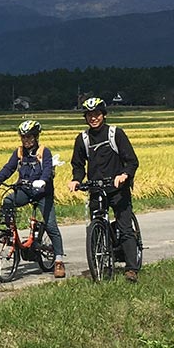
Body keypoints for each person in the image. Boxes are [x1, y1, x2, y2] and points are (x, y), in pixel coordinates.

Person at [69, 97, 142, 281]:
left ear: (104, 115)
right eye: (89, 115)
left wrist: (124, 175)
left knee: (125, 227)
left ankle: (131, 269)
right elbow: (78, 165)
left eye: (97, 114)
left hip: (117, 188)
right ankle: (101, 262)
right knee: (96, 225)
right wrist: (76, 180)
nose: (93, 118)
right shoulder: (83, 139)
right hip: (96, 189)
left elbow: (132, 161)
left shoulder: (115, 134)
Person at [0, 120, 66, 278]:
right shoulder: (19, 152)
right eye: (23, 137)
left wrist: (42, 181)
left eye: (30, 137)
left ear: (36, 137)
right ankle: (10, 233)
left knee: (51, 226)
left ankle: (58, 261)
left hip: (42, 192)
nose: (26, 140)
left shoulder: (44, 151)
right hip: (24, 190)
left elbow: (48, 169)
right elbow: (9, 168)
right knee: (8, 200)